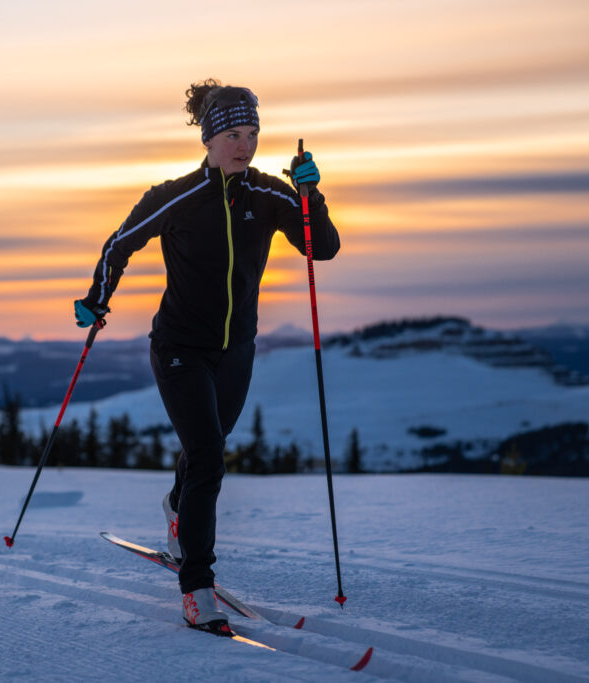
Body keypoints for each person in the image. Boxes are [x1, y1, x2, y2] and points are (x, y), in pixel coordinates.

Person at [74, 79, 340, 632]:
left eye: (252, 134)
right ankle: (197, 586)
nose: (245, 145)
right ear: (209, 139)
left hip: (236, 349)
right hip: (177, 347)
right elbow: (119, 244)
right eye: (234, 135)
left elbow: (323, 247)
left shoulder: (270, 195)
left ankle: (177, 509)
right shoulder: (173, 197)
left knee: (206, 451)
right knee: (209, 458)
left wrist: (311, 195)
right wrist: (97, 299)